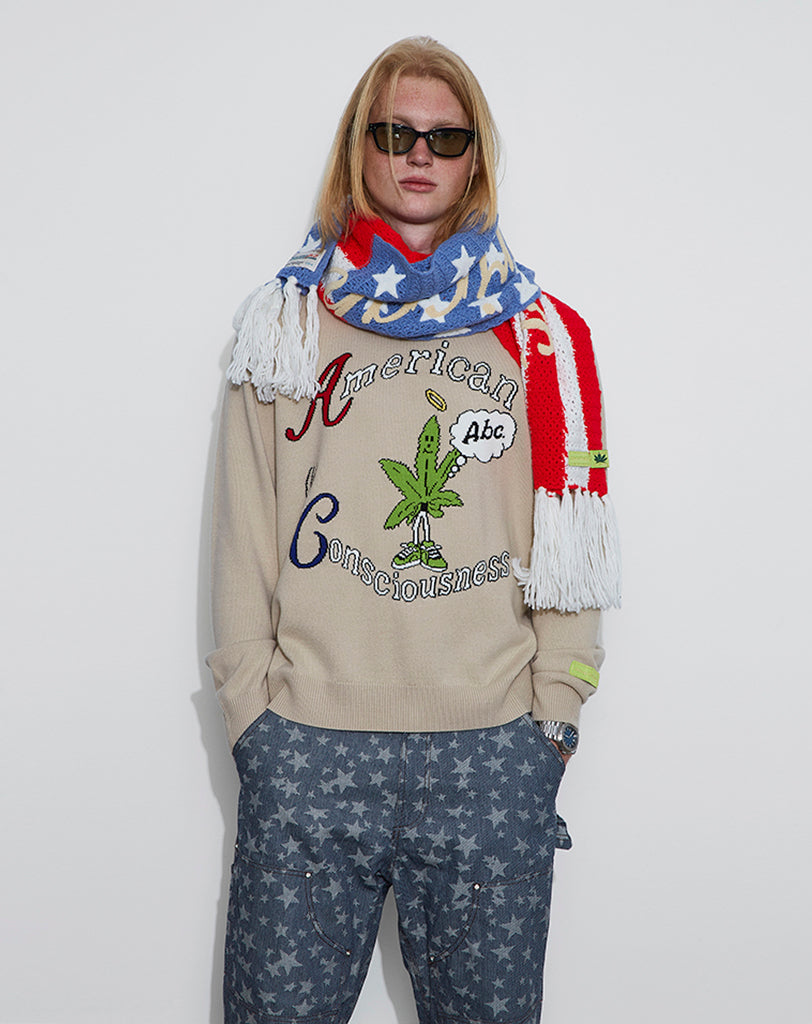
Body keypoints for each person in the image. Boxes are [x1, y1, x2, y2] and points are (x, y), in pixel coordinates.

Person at [208, 36, 620, 1024]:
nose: (419, 154)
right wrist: (252, 713)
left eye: (445, 136)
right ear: (360, 146)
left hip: (490, 754)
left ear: (476, 157)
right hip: (309, 748)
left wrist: (554, 718)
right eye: (395, 134)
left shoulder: (542, 339)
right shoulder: (284, 323)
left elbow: (568, 547)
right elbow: (243, 523)